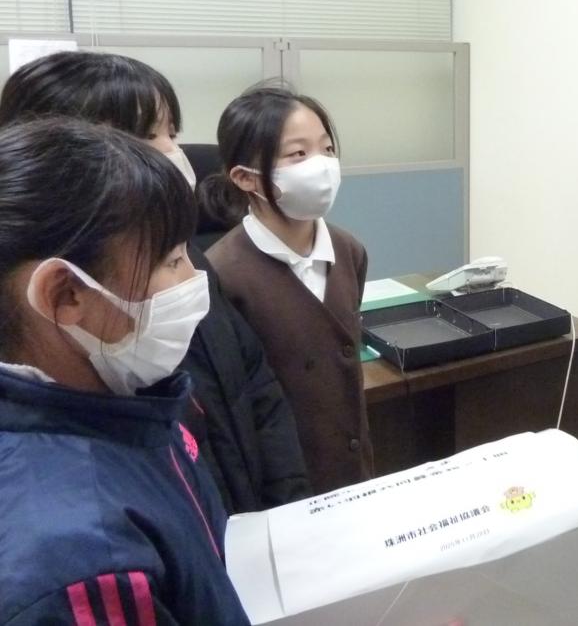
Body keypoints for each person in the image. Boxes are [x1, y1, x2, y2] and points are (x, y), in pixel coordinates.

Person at [0, 52, 311, 513]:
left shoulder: (187, 261)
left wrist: (286, 509)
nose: (171, 153)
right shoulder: (69, 341)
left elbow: (256, 384)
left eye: (172, 133)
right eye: (145, 136)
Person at [0, 117, 250, 624]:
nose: (194, 276)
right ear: (66, 293)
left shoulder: (129, 405)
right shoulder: (82, 563)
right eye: (171, 260)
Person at [201, 84, 372, 494]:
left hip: (354, 473)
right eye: (298, 154)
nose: (322, 165)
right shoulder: (221, 275)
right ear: (246, 178)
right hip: (283, 486)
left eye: (327, 149)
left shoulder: (349, 250)